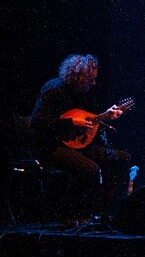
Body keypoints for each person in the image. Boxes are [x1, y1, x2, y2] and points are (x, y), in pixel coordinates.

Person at [30, 54, 131, 226]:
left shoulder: (83, 95)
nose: (94, 84)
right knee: (89, 169)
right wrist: (70, 123)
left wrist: (107, 115)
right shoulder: (53, 89)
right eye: (90, 80)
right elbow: (37, 122)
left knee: (122, 158)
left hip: (75, 145)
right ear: (78, 77)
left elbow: (90, 120)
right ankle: (71, 215)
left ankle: (105, 212)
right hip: (50, 146)